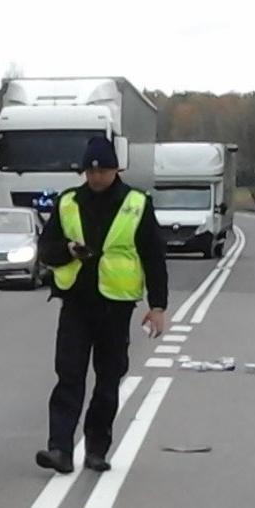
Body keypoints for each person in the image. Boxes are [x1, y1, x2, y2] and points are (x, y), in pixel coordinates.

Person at [33, 136, 168, 475]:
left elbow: (154, 256)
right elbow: (46, 250)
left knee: (108, 379)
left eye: (103, 171)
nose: (96, 178)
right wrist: (67, 251)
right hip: (76, 303)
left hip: (115, 306)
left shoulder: (136, 203)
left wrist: (158, 305)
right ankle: (60, 449)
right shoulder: (67, 203)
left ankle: (96, 448)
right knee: (69, 376)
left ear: (115, 170)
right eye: (90, 172)